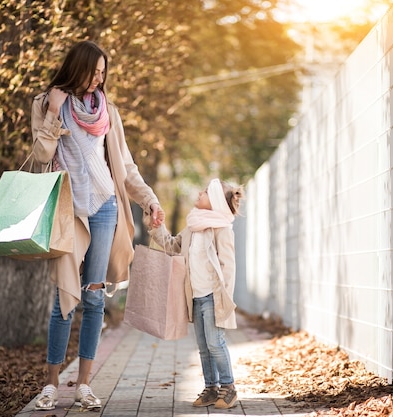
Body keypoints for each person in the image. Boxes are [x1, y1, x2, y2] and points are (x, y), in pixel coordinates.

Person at [30, 40, 164, 411]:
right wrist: (55, 114)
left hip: (105, 208)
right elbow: (41, 155)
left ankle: (84, 385)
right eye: (94, 71)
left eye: (104, 73)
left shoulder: (108, 112)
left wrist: (149, 199)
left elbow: (125, 166)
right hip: (69, 210)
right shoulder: (47, 103)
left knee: (93, 296)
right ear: (78, 68)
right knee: (64, 299)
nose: (99, 79)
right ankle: (51, 385)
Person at [149, 178, 244, 409]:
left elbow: (228, 267)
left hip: (213, 296)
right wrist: (157, 227)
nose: (199, 193)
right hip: (196, 296)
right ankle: (211, 388)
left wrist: (224, 299)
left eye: (205, 192)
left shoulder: (222, 229)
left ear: (216, 202)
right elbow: (173, 245)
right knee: (203, 346)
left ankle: (228, 387)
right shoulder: (192, 226)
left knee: (215, 343)